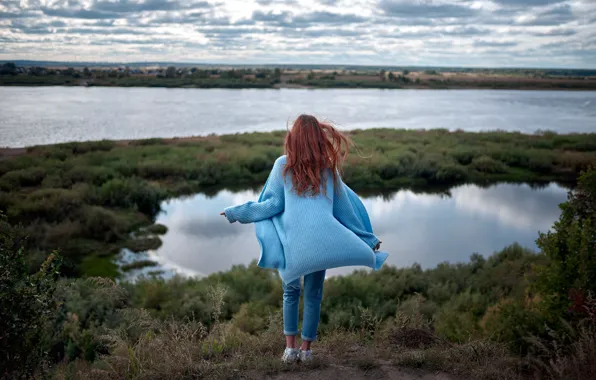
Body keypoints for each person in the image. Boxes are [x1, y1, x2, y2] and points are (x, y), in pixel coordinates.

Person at [221, 114, 387, 363]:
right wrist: (368, 240)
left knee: (291, 292)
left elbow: (271, 205)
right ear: (318, 138)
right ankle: (307, 350)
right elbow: (344, 210)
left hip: (294, 246)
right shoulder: (327, 169)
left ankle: (290, 350)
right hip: (322, 243)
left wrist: (237, 212)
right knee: (313, 295)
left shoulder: (282, 165)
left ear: (294, 138)